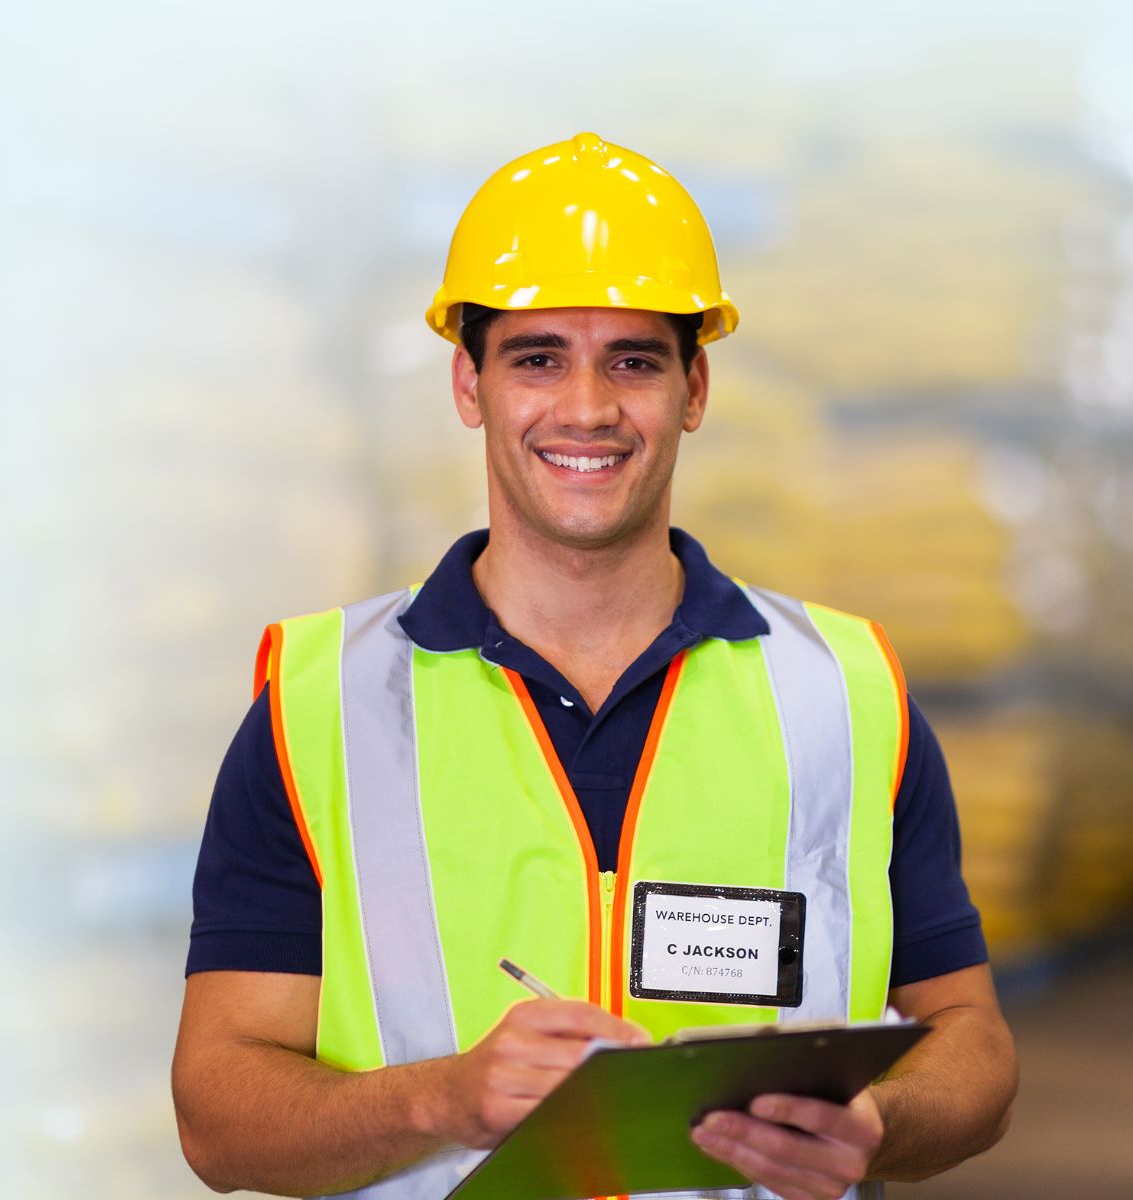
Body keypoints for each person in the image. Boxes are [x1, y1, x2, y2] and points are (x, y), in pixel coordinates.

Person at [172, 132, 1017, 1200]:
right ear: (469, 383)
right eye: (537, 358)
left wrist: (880, 1124)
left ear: (694, 388)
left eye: (633, 360)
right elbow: (217, 1118)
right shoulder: (320, 709)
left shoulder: (844, 694)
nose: (586, 408)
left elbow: (972, 1041)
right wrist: (442, 1100)